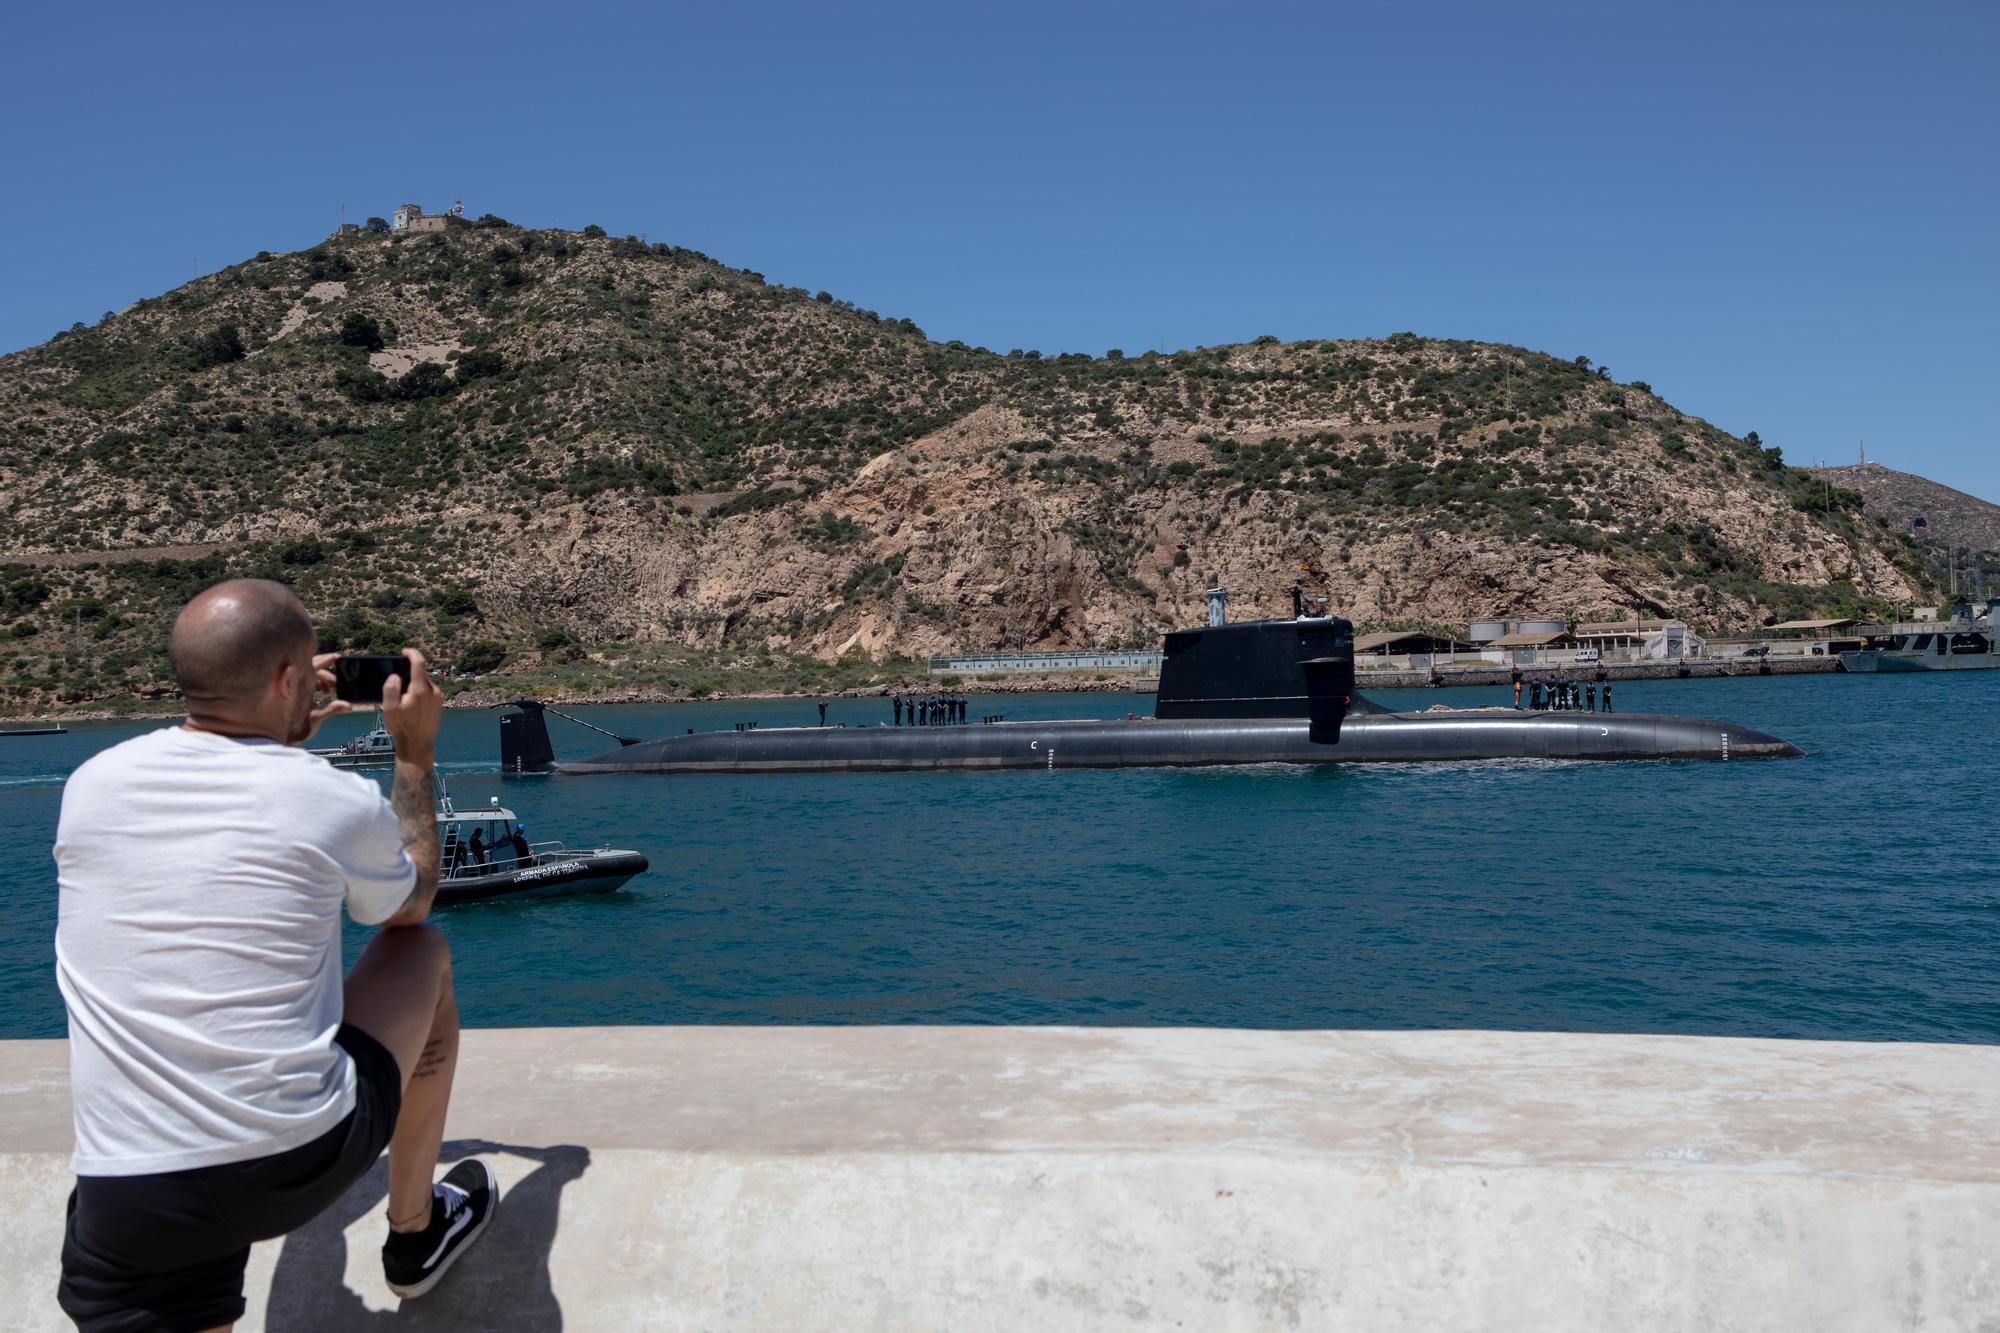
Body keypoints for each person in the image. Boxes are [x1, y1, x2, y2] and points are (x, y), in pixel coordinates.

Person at [54, 580, 497, 1331]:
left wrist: (273, 722)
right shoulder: (327, 796)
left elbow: (220, 789)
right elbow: (413, 899)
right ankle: (416, 1231)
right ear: (293, 680)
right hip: (292, 1158)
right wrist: (414, 751)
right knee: (422, 950)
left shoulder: (89, 784)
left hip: (131, 1183)